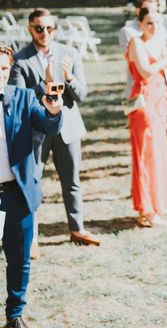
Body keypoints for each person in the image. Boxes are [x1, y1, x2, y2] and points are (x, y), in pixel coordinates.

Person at [10, 8, 101, 248]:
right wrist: (47, 83)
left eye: (49, 28)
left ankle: (77, 229)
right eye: (39, 28)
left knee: (72, 182)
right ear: (30, 29)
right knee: (32, 182)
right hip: (36, 132)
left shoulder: (68, 53)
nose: (44, 33)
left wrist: (68, 78)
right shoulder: (20, 60)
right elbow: (20, 97)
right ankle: (32, 238)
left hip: (67, 128)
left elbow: (82, 94)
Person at [0, 44, 63, 328]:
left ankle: (15, 314)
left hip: (17, 192)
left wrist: (53, 110)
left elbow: (49, 127)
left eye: (3, 68)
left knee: (19, 259)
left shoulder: (24, 98)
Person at [127, 8, 167, 227]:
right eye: (149, 23)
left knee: (158, 154)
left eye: (157, 23)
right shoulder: (136, 43)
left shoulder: (159, 41)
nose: (154, 27)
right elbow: (146, 71)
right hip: (143, 103)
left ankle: (157, 203)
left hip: (159, 102)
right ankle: (146, 209)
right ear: (140, 23)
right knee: (144, 155)